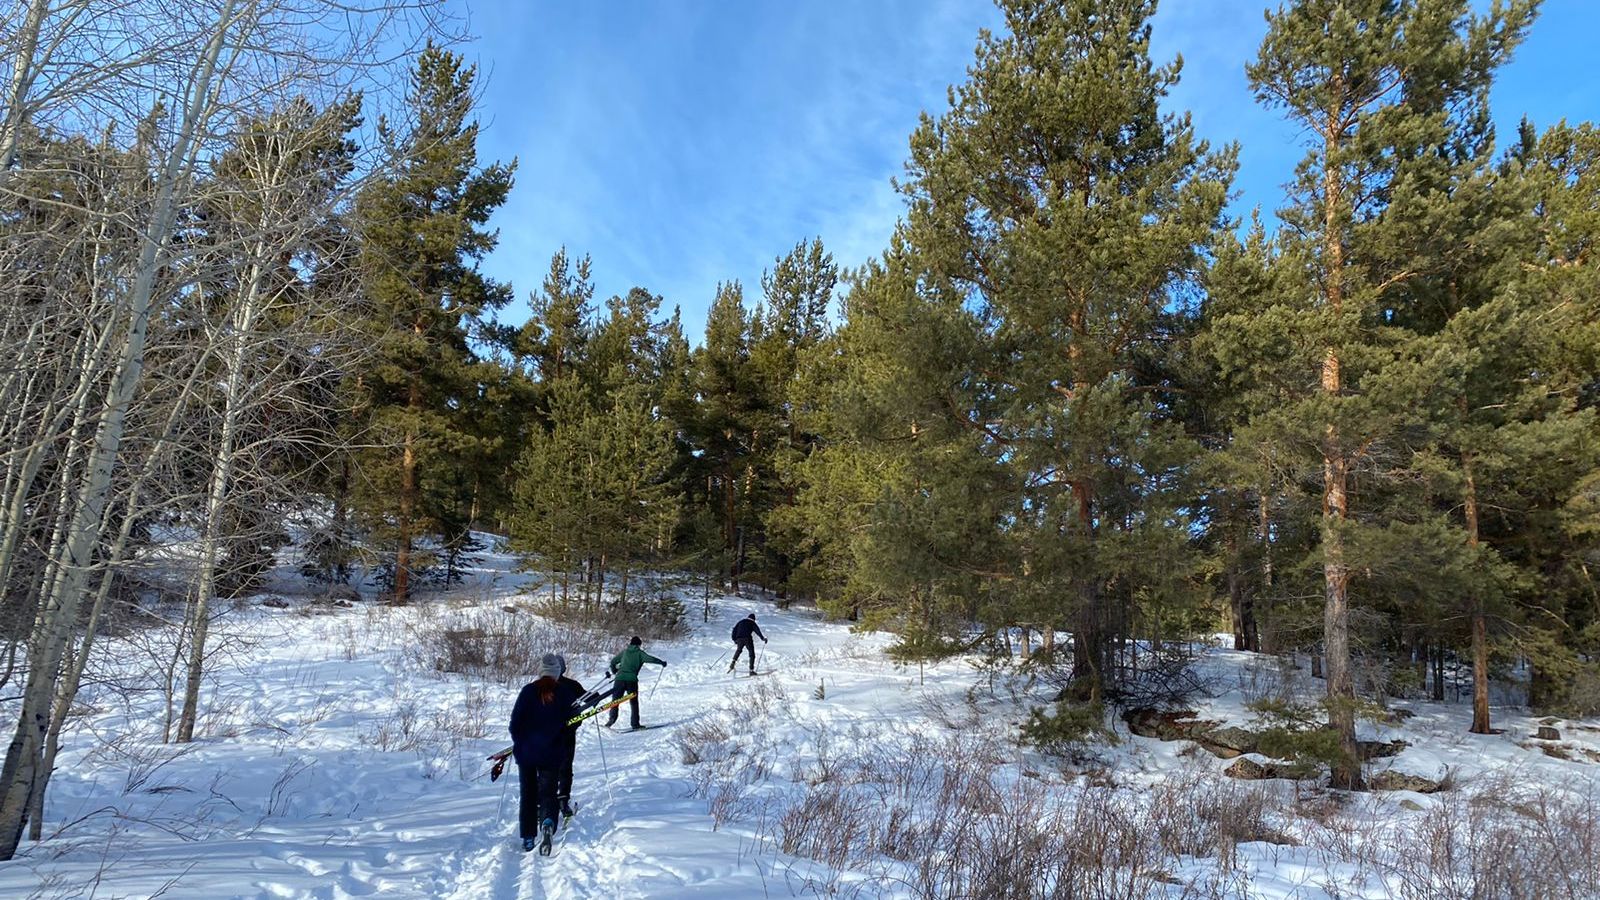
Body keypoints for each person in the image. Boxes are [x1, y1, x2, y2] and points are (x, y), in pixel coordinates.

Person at [509, 653, 581, 854]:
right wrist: (560, 736)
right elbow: (574, 721)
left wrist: (521, 743)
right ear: (558, 673)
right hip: (552, 752)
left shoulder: (527, 691)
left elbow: (515, 724)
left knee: (528, 793)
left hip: (527, 753)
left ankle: (529, 837)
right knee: (549, 791)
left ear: (540, 671)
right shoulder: (565, 693)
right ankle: (548, 822)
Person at [606, 636, 666, 729]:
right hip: (631, 681)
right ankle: (635, 724)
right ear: (639, 645)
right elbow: (651, 659)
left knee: (615, 701)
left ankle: (611, 721)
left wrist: (614, 671)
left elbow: (613, 661)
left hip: (619, 680)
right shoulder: (640, 653)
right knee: (633, 702)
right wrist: (661, 662)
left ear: (630, 643)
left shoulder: (624, 652)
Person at [553, 655, 583, 819]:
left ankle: (540, 804)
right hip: (567, 734)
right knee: (565, 767)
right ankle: (563, 800)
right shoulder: (572, 685)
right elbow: (588, 697)